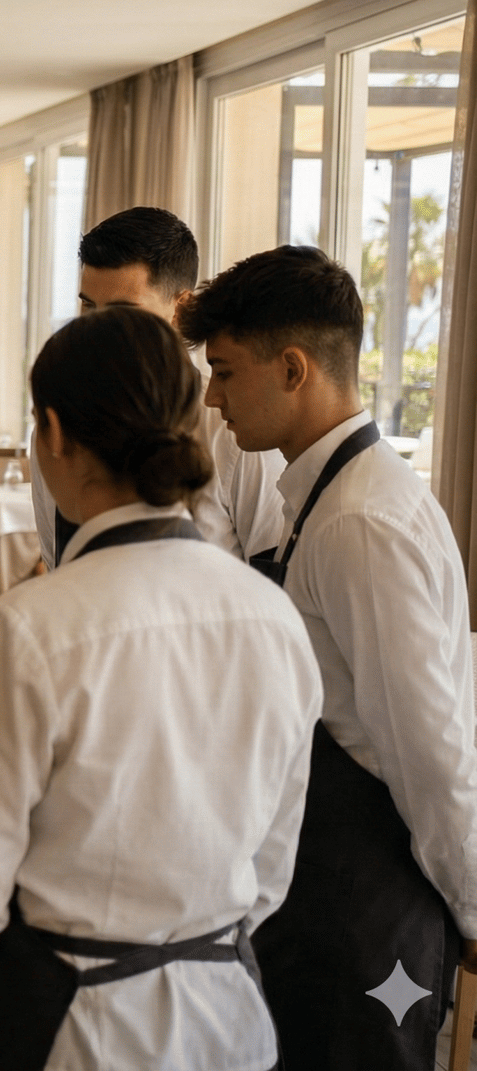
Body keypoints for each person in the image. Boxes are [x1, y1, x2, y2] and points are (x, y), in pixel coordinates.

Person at [0, 307, 322, 1071]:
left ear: (52, 433)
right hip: (228, 1016)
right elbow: (272, 862)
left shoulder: (29, 627)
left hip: (73, 1028)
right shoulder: (274, 615)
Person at [180, 245, 477, 1071]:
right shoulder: (334, 497)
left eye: (224, 372)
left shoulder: (357, 523)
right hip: (330, 886)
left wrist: (473, 911)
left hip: (368, 902)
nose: (213, 397)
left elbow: (428, 751)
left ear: (293, 368)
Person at [34, 206, 284, 567]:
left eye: (122, 311)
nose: (98, 329)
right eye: (89, 306)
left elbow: (269, 578)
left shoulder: (235, 428)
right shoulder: (56, 425)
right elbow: (56, 559)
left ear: (181, 310)